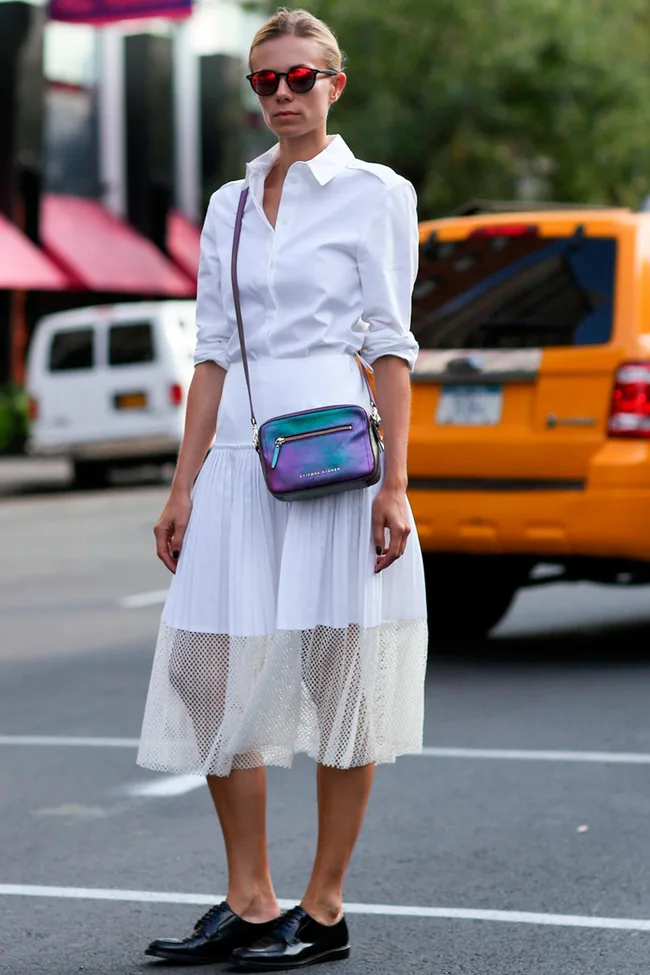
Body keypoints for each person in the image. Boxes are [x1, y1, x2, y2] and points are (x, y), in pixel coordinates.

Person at [137, 6, 428, 970]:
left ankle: (326, 904)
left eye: (300, 77)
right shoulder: (228, 202)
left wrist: (396, 487)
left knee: (336, 672)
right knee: (204, 669)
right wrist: (181, 486)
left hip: (338, 459)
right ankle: (251, 896)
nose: (283, 96)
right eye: (266, 81)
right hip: (236, 463)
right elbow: (212, 352)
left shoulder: (377, 192)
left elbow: (391, 345)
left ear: (333, 84)